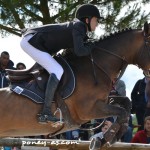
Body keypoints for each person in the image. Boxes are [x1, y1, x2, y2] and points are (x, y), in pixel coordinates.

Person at [20, 4, 104, 124]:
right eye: (96, 20)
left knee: (56, 68)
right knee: (57, 70)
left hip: (33, 41)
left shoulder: (79, 29)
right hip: (32, 41)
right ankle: (45, 112)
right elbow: (80, 51)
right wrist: (93, 45)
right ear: (87, 19)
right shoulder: (79, 26)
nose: (97, 23)